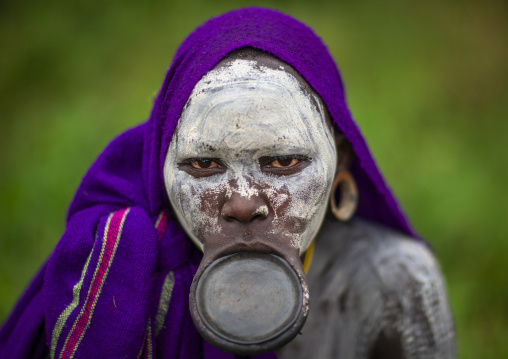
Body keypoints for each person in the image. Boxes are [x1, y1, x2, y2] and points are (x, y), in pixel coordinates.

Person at [0, 7, 455, 359]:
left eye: (282, 161)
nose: (241, 203)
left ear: (340, 165)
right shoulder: (116, 275)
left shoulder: (394, 282)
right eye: (202, 165)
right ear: (160, 164)